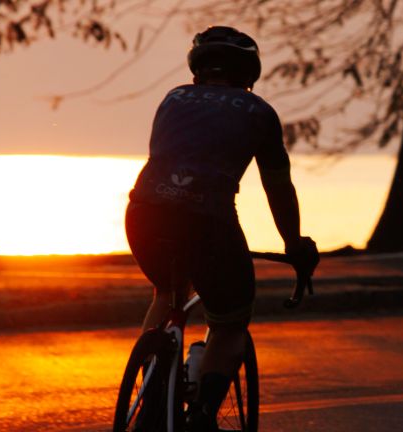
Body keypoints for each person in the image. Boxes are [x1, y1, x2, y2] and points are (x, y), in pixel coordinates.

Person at [124, 26, 319, 431]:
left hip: (144, 213)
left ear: (197, 70)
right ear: (250, 74)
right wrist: (294, 243)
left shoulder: (172, 99)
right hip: (209, 222)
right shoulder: (260, 112)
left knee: (168, 291)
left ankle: (151, 383)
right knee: (230, 322)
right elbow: (277, 186)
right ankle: (202, 416)